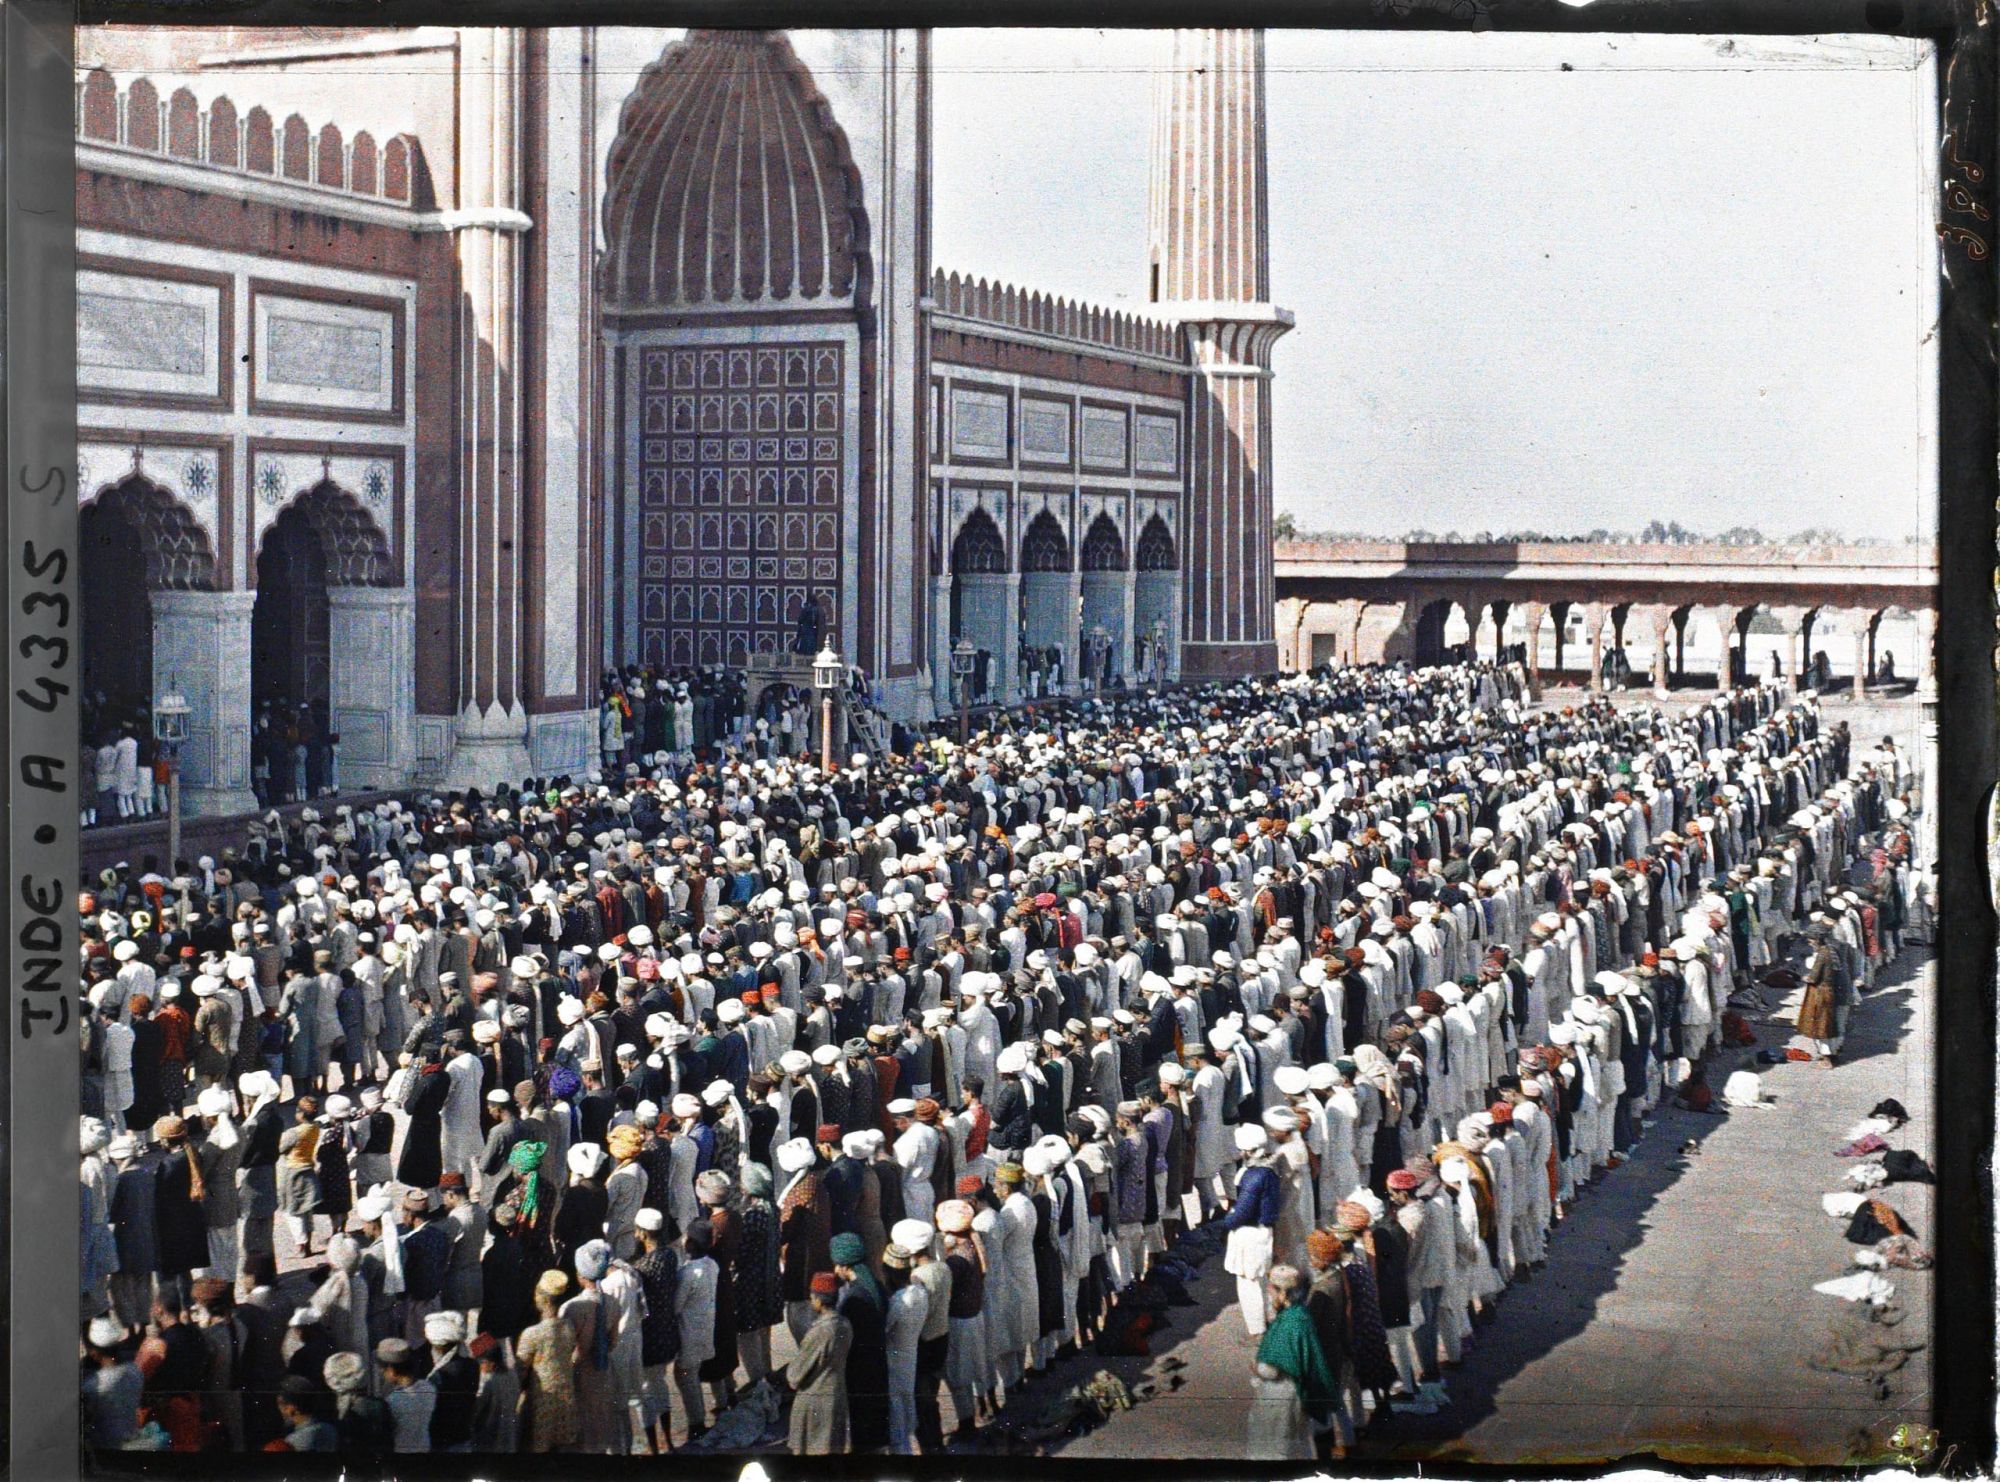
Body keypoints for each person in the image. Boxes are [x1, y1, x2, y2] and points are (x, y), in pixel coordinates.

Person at [1246, 1265, 1337, 1461]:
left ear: (1282, 1292)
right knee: (1301, 1443)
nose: (1268, 1295)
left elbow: (1272, 1370)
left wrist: (1256, 1367)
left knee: (1276, 1450)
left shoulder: (1288, 1323)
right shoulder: (1301, 1314)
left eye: (1270, 1289)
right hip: (1298, 1395)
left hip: (1280, 1397)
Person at [783, 1270, 853, 1454]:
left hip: (814, 1402)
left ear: (818, 1300)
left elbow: (794, 1377)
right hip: (836, 1397)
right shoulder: (845, 1324)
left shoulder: (819, 1332)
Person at [515, 1269, 579, 1453]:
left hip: (540, 1401)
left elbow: (520, 1370)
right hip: (565, 1395)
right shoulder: (568, 1326)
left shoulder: (532, 1334)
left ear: (540, 1298)